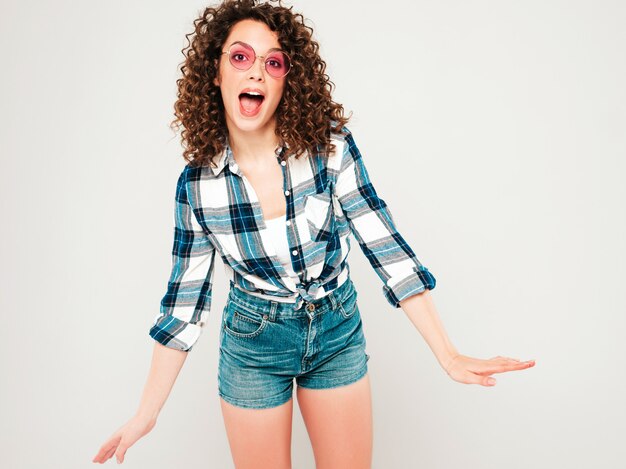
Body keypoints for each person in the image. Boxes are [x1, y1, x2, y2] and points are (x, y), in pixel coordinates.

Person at [92, 0, 536, 467]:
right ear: (216, 73)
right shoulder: (197, 186)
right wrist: (146, 413)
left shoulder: (329, 148)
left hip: (335, 329)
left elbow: (385, 247)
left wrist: (447, 355)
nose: (256, 73)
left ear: (288, 81)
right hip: (254, 343)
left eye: (274, 62)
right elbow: (184, 304)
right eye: (240, 57)